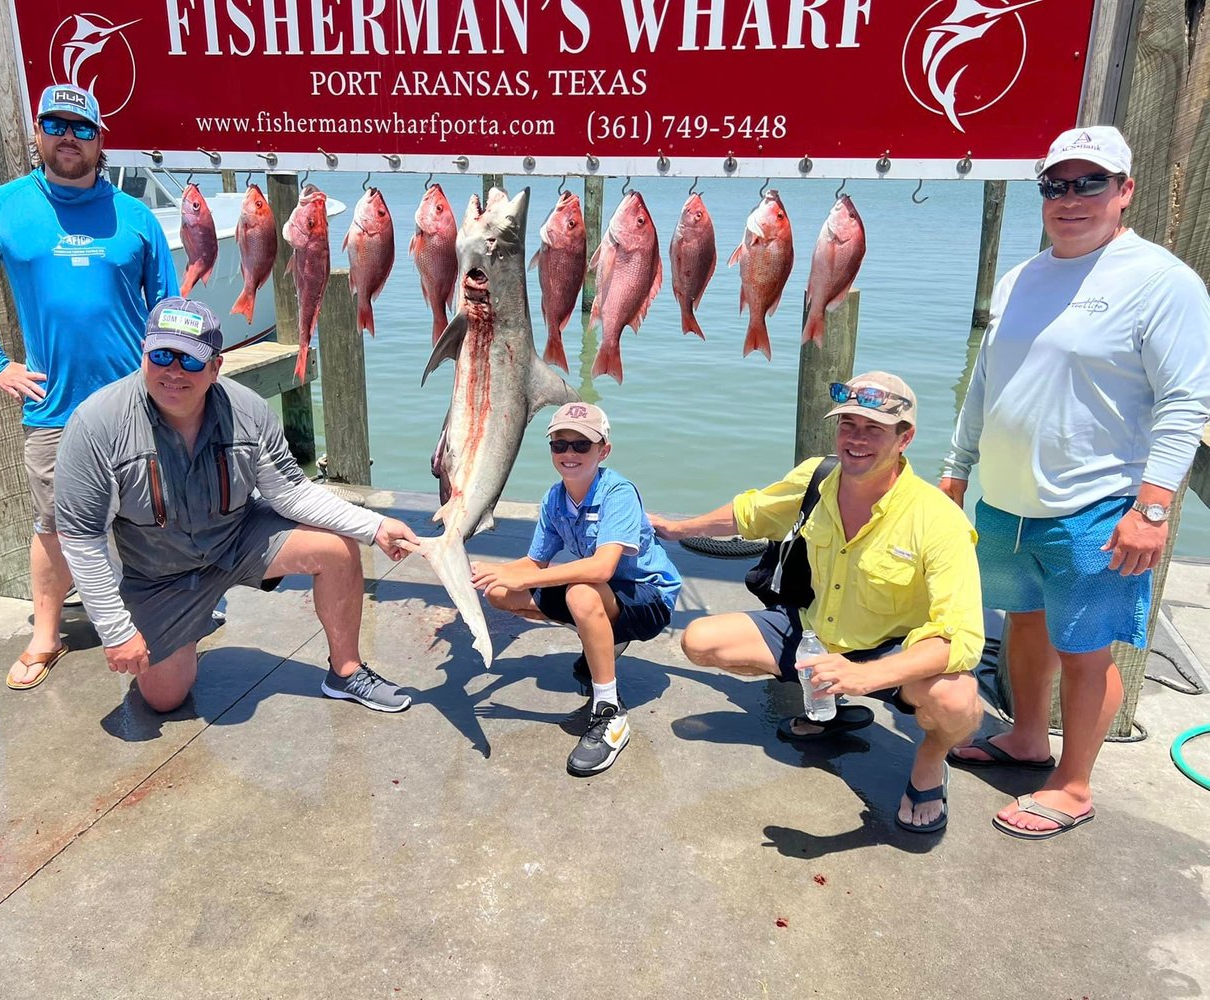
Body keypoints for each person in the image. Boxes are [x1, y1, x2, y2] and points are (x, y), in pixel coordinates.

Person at [941, 125, 1210, 839]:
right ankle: (1027, 738)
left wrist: (1150, 509)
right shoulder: (1021, 276)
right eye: (1055, 185)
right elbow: (985, 383)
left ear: (1123, 191)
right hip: (1005, 500)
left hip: (1096, 505)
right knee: (1021, 624)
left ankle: (1074, 783)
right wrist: (954, 467)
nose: (1069, 198)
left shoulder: (1162, 281)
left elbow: (1185, 401)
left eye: (1089, 182)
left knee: (1086, 650)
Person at [650, 373, 984, 834]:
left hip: (892, 650)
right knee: (701, 640)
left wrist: (866, 675)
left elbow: (961, 638)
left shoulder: (938, 519)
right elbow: (749, 513)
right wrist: (674, 528)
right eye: (848, 425)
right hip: (814, 632)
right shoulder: (818, 476)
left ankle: (930, 758)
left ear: (905, 438)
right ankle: (830, 705)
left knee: (957, 701)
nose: (856, 439)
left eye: (874, 429)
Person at [53, 298, 422, 714]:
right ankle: (187, 628)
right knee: (164, 698)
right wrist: (116, 631)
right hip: (157, 574)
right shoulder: (96, 425)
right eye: (161, 356)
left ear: (215, 367)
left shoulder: (248, 411)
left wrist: (373, 527)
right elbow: (83, 542)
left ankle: (346, 671)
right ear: (144, 355)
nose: (173, 371)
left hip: (235, 542)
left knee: (338, 549)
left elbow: (291, 493)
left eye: (190, 361)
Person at [0, 83, 179, 690]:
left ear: (101, 140)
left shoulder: (137, 217)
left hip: (138, 403)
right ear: (38, 134)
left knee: (152, 513)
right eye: (56, 124)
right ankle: (46, 634)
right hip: (54, 406)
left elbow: (170, 308)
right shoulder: (1, 207)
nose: (68, 137)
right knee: (53, 523)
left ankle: (168, 612)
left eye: (81, 128)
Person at [469, 403, 682, 777]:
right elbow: (533, 563)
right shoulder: (554, 498)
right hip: (604, 592)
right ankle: (602, 636)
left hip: (647, 596)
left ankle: (609, 713)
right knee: (500, 593)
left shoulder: (618, 493)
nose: (569, 454)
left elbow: (602, 568)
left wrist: (526, 578)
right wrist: (488, 572)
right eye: (559, 444)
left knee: (580, 592)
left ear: (603, 451)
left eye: (582, 445)